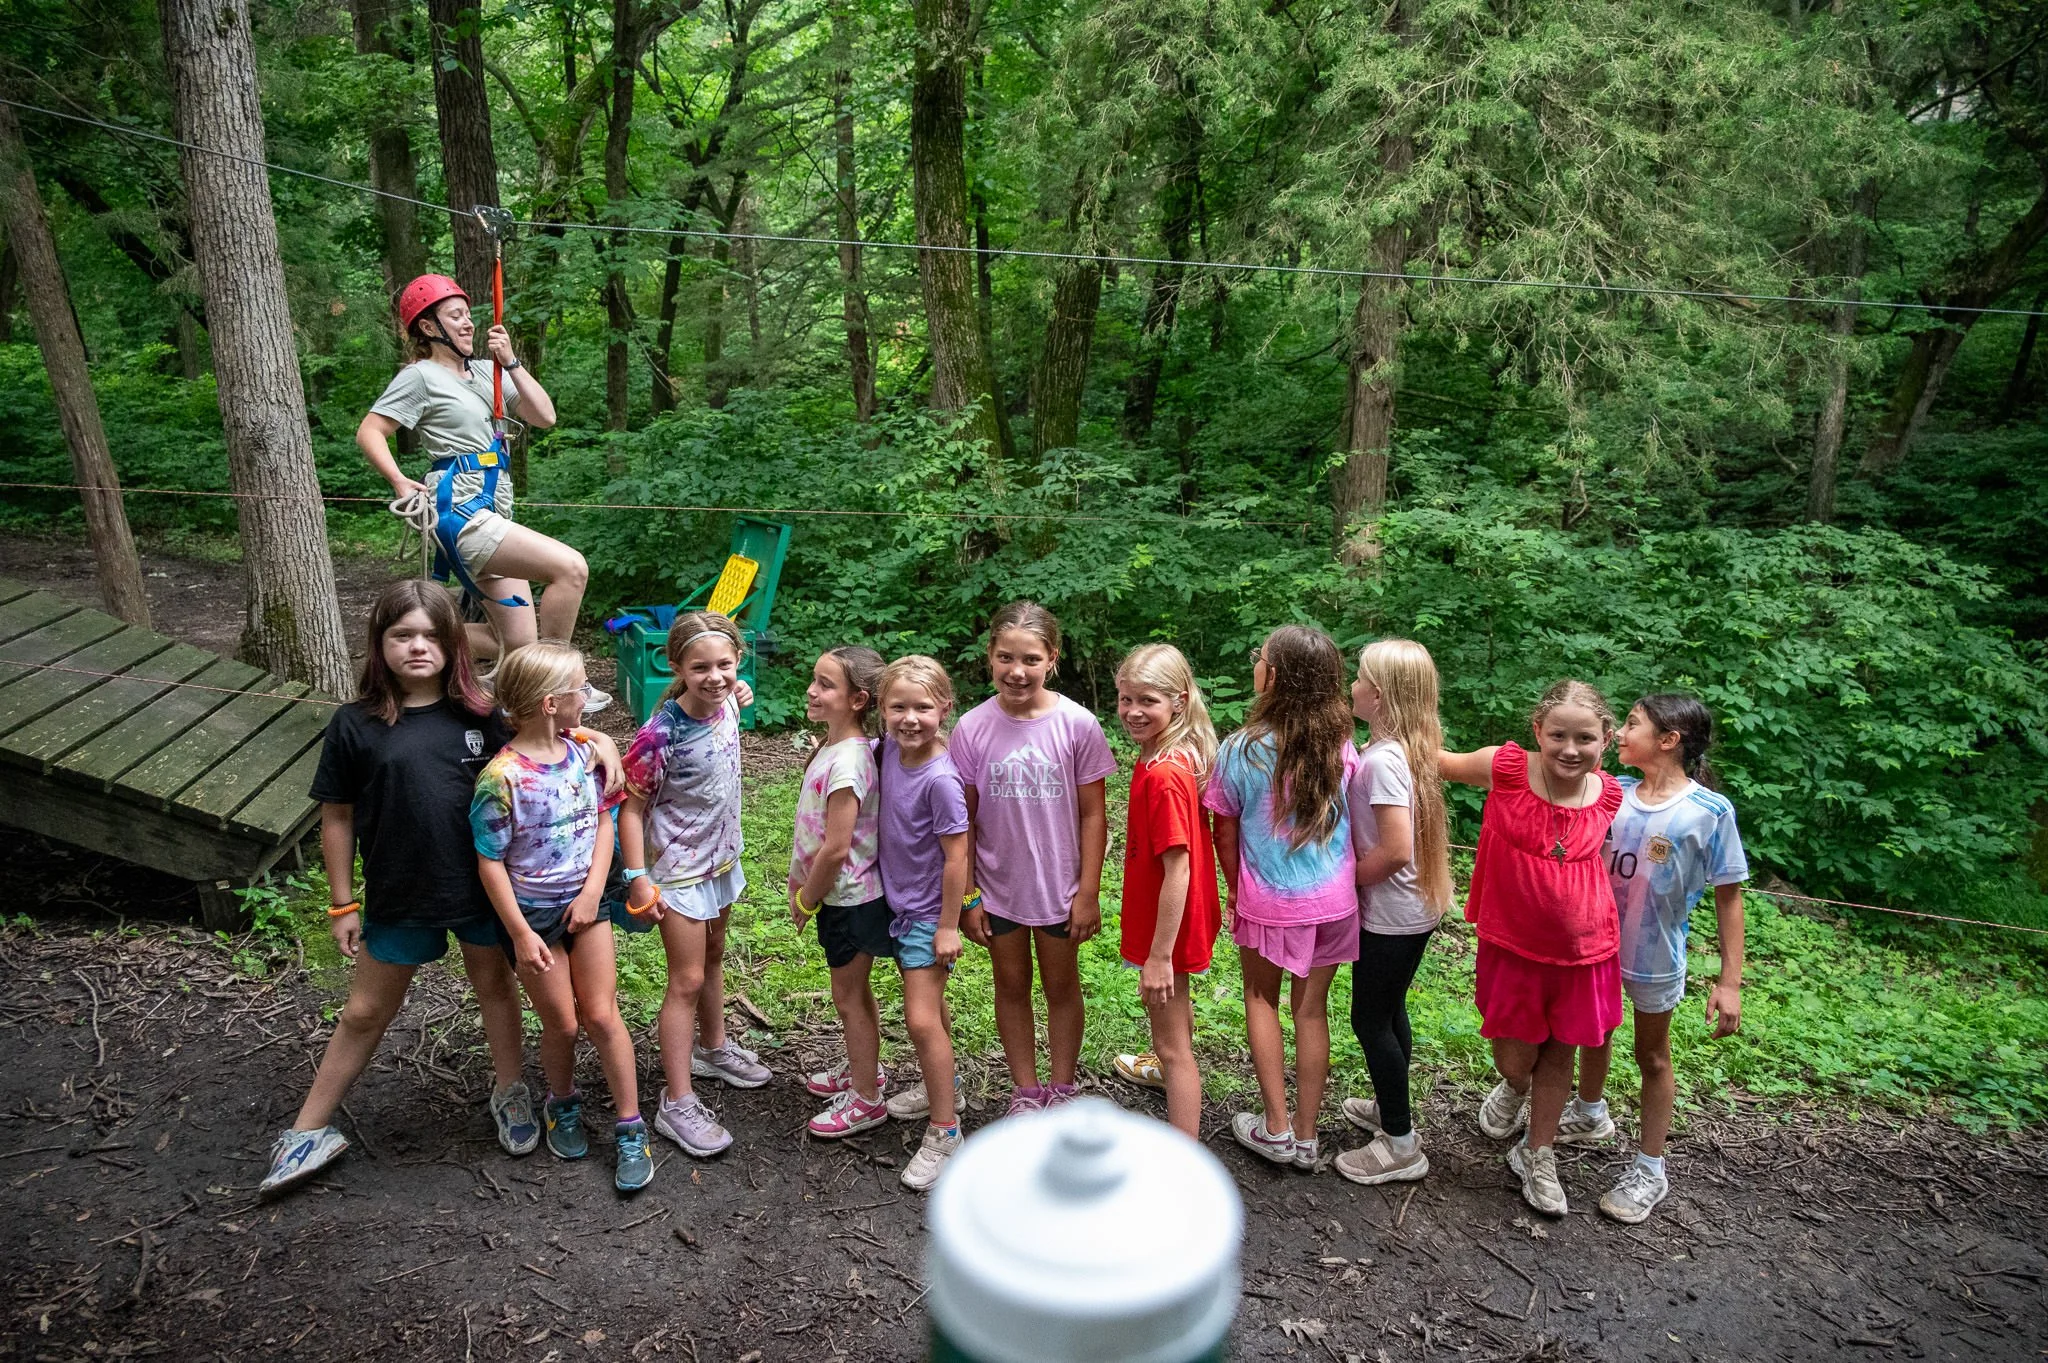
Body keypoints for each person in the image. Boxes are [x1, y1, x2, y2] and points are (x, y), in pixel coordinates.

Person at [259, 581, 621, 1198]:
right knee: (365, 1010)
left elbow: (549, 730)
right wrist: (342, 901)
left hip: (485, 891)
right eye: (402, 635)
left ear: (455, 644)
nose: (418, 647)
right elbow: (337, 816)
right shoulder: (355, 725)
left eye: (432, 635)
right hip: (400, 890)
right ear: (379, 644)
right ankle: (308, 1128)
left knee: (494, 988)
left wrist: (601, 739)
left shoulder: (483, 714)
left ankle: (510, 1091)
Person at [357, 272, 602, 701]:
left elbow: (544, 417)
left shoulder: (489, 373)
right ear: (429, 327)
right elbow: (370, 431)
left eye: (468, 315)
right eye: (456, 316)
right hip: (460, 510)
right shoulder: (421, 377)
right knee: (570, 568)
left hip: (493, 510)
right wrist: (398, 481)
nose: (469, 323)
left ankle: (400, 641)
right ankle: (562, 679)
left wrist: (511, 362)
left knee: (518, 643)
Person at [470, 643, 650, 1191]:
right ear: (551, 704)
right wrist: (520, 934)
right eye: (582, 689)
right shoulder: (500, 778)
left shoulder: (583, 755)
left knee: (602, 1015)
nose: (589, 697)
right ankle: (562, 1102)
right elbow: (489, 861)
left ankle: (630, 1125)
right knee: (564, 1024)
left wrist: (594, 893)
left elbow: (603, 822)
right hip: (532, 917)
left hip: (586, 907)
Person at [1441, 679, 1624, 1217]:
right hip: (1513, 946)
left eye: (1585, 738)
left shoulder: (1610, 794)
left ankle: (1537, 1152)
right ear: (1538, 730)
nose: (1571, 749)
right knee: (1515, 1055)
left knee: (1561, 1051)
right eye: (1559, 735)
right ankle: (1513, 1086)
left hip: (1586, 952)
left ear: (1605, 739)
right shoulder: (1506, 769)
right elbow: (1433, 762)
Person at [1570, 695, 1748, 1223]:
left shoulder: (1709, 812)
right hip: (1595, 946)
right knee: (1593, 1033)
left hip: (1654, 955)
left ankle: (1650, 1168)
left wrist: (1729, 982)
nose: (1620, 734)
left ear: (1668, 741)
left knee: (1652, 1056)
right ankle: (1588, 1113)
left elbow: (1729, 898)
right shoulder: (1610, 791)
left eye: (1631, 724)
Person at [949, 602, 1116, 1115]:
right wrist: (968, 896)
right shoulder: (972, 728)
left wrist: (1088, 892)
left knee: (1062, 986)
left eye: (1030, 659)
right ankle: (1025, 1091)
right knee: (1011, 985)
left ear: (1052, 659)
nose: (1017, 671)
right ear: (990, 656)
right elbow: (963, 820)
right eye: (1006, 657)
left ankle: (1062, 1088)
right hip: (998, 888)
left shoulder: (1077, 725)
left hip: (1060, 890)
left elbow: (1094, 815)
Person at [1205, 625, 1360, 1172]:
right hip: (1335, 901)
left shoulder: (1242, 749)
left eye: (1260, 657)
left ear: (1274, 676)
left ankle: (1275, 1127)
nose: (1255, 664)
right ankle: (1307, 1135)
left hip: (1270, 903)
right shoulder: (1340, 745)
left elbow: (1224, 829)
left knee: (1260, 998)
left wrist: (1234, 888)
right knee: (1312, 1011)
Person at [618, 611, 767, 1160]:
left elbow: (732, 695)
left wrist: (738, 690)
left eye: (725, 665)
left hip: (721, 862)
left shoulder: (729, 703)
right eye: (700, 667)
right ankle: (676, 1101)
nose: (715, 676)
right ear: (675, 666)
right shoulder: (660, 735)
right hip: (676, 875)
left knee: (714, 954)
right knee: (686, 979)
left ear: (739, 661)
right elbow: (630, 809)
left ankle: (713, 1047)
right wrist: (637, 879)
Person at [1333, 640, 1455, 1186]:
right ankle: (1390, 1108)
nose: (1352, 686)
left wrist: (1340, 882)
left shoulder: (1383, 760)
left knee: (1369, 1020)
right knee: (1389, 1011)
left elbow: (1396, 850)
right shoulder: (1406, 747)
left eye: (1359, 678)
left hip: (1391, 913)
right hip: (1413, 909)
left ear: (1378, 694)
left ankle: (1401, 1144)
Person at [1110, 644, 1221, 1139]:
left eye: (1147, 701)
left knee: (1175, 1048)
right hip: (1169, 917)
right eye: (1126, 698)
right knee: (1174, 1027)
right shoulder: (1168, 752)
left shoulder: (1165, 776)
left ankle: (1183, 1157)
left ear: (1178, 701)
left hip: (1167, 928)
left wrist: (1159, 958)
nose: (1133, 711)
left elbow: (1178, 870)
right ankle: (1162, 1065)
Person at [873, 655, 973, 1189]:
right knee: (931, 1010)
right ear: (882, 709)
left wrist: (948, 925)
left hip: (929, 913)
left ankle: (945, 1131)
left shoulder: (942, 779)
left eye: (923, 708)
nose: (910, 719)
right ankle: (947, 1090)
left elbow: (957, 856)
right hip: (899, 904)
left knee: (919, 1019)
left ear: (944, 708)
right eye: (899, 707)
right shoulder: (889, 749)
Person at [789, 646, 894, 1138]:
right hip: (844, 896)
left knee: (848, 998)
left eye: (826, 684)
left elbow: (836, 847)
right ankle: (864, 1070)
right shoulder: (838, 748)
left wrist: (806, 898)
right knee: (855, 993)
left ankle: (867, 1099)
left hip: (848, 897)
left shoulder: (850, 761)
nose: (812, 691)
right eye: (815, 680)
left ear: (858, 700)